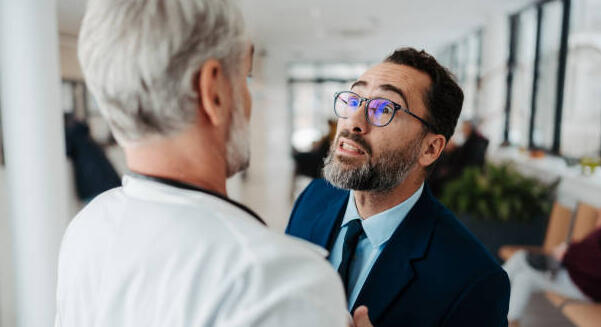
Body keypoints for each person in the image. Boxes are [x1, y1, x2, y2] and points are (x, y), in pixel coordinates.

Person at [55, 1, 352, 326]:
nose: (248, 97)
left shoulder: (87, 227)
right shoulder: (280, 280)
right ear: (213, 91)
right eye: (245, 77)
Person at [286, 48, 510, 327]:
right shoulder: (313, 198)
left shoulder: (473, 280)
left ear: (430, 148)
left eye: (383, 109)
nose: (354, 121)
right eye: (355, 100)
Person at [504, 224, 601, 326]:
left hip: (585, 286)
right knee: (524, 277)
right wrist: (568, 251)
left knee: (521, 258)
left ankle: (489, 291)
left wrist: (567, 252)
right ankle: (510, 321)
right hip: (574, 274)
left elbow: (594, 264)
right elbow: (586, 251)